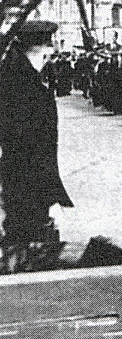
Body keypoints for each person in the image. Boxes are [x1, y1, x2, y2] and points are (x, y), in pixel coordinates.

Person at [0, 21, 74, 246]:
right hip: (27, 178)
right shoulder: (21, 80)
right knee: (27, 236)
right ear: (44, 48)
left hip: (24, 176)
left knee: (24, 231)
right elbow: (26, 139)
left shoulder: (19, 74)